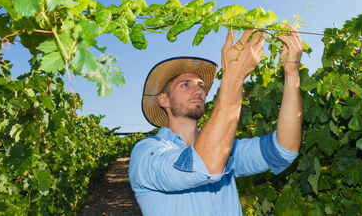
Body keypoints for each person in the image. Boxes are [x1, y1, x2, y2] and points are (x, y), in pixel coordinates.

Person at [129, 25, 304, 216]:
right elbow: (202, 164)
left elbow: (284, 150)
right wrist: (235, 76)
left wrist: (292, 73)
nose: (198, 91)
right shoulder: (146, 153)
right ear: (164, 99)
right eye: (185, 85)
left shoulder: (225, 149)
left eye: (201, 85)